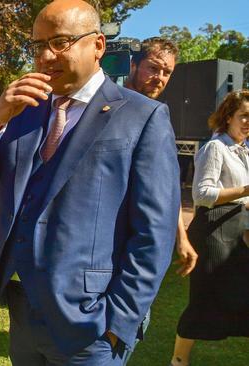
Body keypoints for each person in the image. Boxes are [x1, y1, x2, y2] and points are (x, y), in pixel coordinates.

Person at [0, 1, 180, 364]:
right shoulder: (25, 111)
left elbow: (154, 234)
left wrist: (117, 320)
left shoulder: (143, 116)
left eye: (60, 42)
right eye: (37, 45)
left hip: (91, 323)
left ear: (98, 45)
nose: (45, 56)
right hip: (22, 306)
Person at [121, 37, 196, 365]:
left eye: (166, 72)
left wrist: (182, 237)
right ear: (134, 65)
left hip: (138, 241)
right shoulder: (109, 105)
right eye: (153, 67)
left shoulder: (156, 115)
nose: (159, 77)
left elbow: (164, 188)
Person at [171, 90, 249, 366]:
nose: (248, 122)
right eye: (244, 116)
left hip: (238, 232)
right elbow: (202, 194)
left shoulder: (243, 150)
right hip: (214, 234)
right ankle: (179, 361)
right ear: (228, 117)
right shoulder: (215, 148)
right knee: (204, 301)